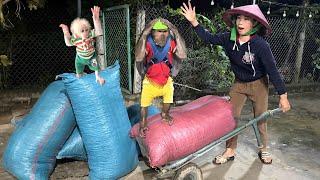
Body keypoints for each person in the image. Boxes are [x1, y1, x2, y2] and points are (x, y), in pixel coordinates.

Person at [181, 1, 291, 164]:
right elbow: (209, 38)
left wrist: (283, 96)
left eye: (246, 19)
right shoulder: (228, 39)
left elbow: (272, 70)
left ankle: (264, 148)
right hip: (239, 84)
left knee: (260, 117)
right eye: (239, 18)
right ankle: (230, 149)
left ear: (254, 23)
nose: (240, 22)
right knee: (231, 116)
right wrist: (194, 22)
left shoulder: (261, 45)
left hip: (259, 84)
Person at [135, 18, 187, 137]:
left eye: (165, 31)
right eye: (159, 31)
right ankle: (143, 124)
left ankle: (165, 114)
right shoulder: (148, 42)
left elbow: (182, 55)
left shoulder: (171, 42)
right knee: (144, 105)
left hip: (166, 81)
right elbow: (138, 57)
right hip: (150, 82)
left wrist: (175, 31)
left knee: (168, 99)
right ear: (152, 32)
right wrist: (144, 34)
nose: (163, 34)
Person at [59, 6, 105, 85]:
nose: (85, 32)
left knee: (96, 68)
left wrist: (96, 20)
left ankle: (98, 78)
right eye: (82, 31)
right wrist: (66, 33)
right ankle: (81, 75)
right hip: (80, 58)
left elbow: (99, 32)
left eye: (86, 30)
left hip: (91, 57)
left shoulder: (90, 35)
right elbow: (68, 44)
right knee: (78, 73)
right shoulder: (76, 39)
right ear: (76, 33)